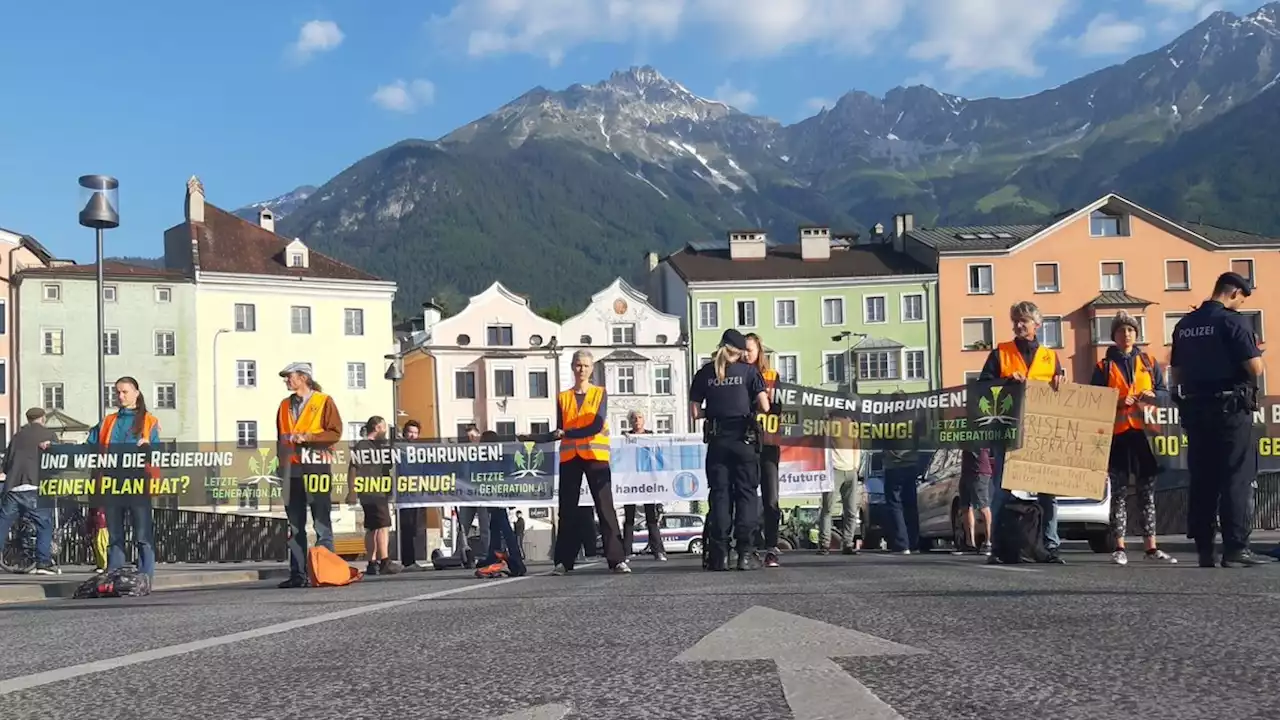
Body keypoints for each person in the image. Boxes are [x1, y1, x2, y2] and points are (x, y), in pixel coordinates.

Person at [1170, 272, 1268, 567]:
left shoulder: (1184, 324)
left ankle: (1204, 547)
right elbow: (1255, 368)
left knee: (1202, 477)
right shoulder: (1232, 321)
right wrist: (1258, 356)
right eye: (1241, 299)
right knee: (1235, 476)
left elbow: (1176, 373)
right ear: (1235, 292)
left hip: (1195, 409)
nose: (1240, 304)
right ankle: (1236, 548)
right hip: (1230, 409)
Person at [979, 301, 1066, 565]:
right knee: (1003, 488)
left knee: (1047, 492)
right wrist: (1006, 382)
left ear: (1037, 325)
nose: (1019, 325)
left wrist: (1060, 379)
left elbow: (1062, 390)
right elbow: (983, 388)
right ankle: (997, 547)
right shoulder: (1001, 353)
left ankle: (1050, 546)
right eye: (1015, 320)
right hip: (1008, 431)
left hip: (1041, 433)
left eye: (1024, 320)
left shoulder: (1050, 357)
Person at [1090, 312, 1177, 566]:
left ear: (1135, 334)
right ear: (1114, 336)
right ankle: (1119, 546)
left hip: (1145, 435)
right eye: (1121, 331)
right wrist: (1116, 401)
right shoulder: (1103, 367)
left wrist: (1153, 393)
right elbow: (1092, 401)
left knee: (1146, 492)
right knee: (1117, 493)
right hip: (1117, 436)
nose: (1126, 334)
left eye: (1130, 330)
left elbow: (1163, 392)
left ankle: (1151, 547)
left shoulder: (1149, 362)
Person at [689, 329, 770, 571]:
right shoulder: (749, 372)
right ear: (741, 350)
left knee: (720, 496)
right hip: (744, 440)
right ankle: (745, 554)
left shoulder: (705, 372)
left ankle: (720, 555)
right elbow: (765, 406)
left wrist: (713, 411)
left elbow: (695, 413)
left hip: (718, 442)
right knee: (746, 495)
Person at [552, 350, 629, 575]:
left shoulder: (599, 393)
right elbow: (559, 429)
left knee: (605, 507)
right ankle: (563, 561)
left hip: (595, 456)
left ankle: (616, 559)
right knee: (567, 509)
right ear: (573, 367)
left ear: (592, 368)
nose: (582, 369)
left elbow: (596, 424)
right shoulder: (563, 397)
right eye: (578, 365)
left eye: (585, 365)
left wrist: (568, 432)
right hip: (570, 457)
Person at [85, 377, 163, 579]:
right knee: (115, 534)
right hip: (112, 481)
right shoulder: (108, 421)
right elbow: (88, 445)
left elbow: (157, 452)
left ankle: (145, 575)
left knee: (142, 534)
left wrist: (148, 446)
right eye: (117, 392)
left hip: (138, 482)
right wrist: (54, 448)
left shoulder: (149, 421)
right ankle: (114, 573)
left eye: (124, 392)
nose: (120, 396)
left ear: (136, 393)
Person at [276, 362, 344, 588]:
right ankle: (298, 575)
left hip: (316, 467)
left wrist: (309, 438)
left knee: (321, 523)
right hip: (291, 470)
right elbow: (281, 439)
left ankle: (325, 572)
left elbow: (335, 432)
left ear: (303, 378)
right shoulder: (284, 405)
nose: (286, 380)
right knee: (295, 526)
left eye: (289, 376)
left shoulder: (324, 401)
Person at [0, 408, 60, 575]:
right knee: (44, 524)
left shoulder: (17, 436)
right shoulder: (48, 434)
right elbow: (57, 462)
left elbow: (6, 464)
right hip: (36, 485)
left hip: (13, 486)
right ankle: (42, 563)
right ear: (43, 418)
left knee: (3, 523)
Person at [744, 333, 784, 567]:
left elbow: (780, 408)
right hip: (747, 443)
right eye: (744, 350)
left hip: (769, 443)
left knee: (771, 499)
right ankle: (749, 544)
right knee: (747, 497)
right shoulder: (738, 375)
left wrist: (769, 401)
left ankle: (771, 547)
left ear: (759, 351)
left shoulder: (772, 376)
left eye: (751, 350)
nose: (747, 354)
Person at [349, 416, 402, 576]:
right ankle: (384, 560)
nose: (385, 431)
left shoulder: (380, 446)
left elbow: (389, 464)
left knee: (373, 527)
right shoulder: (363, 446)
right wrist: (351, 491)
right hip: (373, 490)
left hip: (377, 490)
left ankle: (372, 562)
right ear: (377, 428)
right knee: (383, 525)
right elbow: (353, 468)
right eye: (384, 428)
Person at [474, 431, 527, 577]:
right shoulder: (503, 455)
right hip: (499, 494)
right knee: (496, 525)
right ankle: (495, 556)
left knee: (502, 525)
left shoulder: (488, 457)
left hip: (494, 494)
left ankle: (515, 560)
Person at [621, 410, 666, 562]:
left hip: (648, 480)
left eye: (639, 418)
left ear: (644, 420)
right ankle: (626, 552)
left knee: (651, 517)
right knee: (629, 518)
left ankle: (658, 550)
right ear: (630, 421)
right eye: (634, 418)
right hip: (631, 481)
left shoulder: (651, 435)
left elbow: (659, 455)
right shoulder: (625, 438)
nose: (637, 421)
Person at [882, 391, 921, 554]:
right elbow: (920, 438)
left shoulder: (887, 420)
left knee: (895, 505)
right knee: (910, 504)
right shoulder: (914, 419)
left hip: (893, 466)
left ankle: (901, 543)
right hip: (910, 464)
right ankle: (914, 543)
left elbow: (879, 439)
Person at [818, 421, 862, 557]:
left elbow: (856, 445)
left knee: (851, 511)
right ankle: (824, 544)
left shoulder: (853, 425)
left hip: (851, 471)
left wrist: (856, 466)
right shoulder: (829, 425)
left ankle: (848, 544)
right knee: (828, 508)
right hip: (834, 470)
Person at [453, 424, 490, 568]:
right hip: (466, 494)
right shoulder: (461, 454)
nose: (471, 440)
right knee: (463, 524)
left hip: (482, 493)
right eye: (468, 438)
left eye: (473, 436)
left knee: (485, 525)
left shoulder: (486, 452)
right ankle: (459, 553)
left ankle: (487, 553)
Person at [397, 419, 426, 571]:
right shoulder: (399, 448)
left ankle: (414, 559)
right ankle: (408, 561)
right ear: (405, 433)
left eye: (415, 433)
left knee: (416, 527)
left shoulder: (422, 449)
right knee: (406, 527)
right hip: (404, 493)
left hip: (419, 492)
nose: (413, 435)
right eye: (410, 432)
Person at [955, 448, 993, 556]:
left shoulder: (981, 433)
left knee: (982, 506)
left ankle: (988, 542)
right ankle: (969, 543)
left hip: (979, 471)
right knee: (965, 506)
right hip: (966, 471)